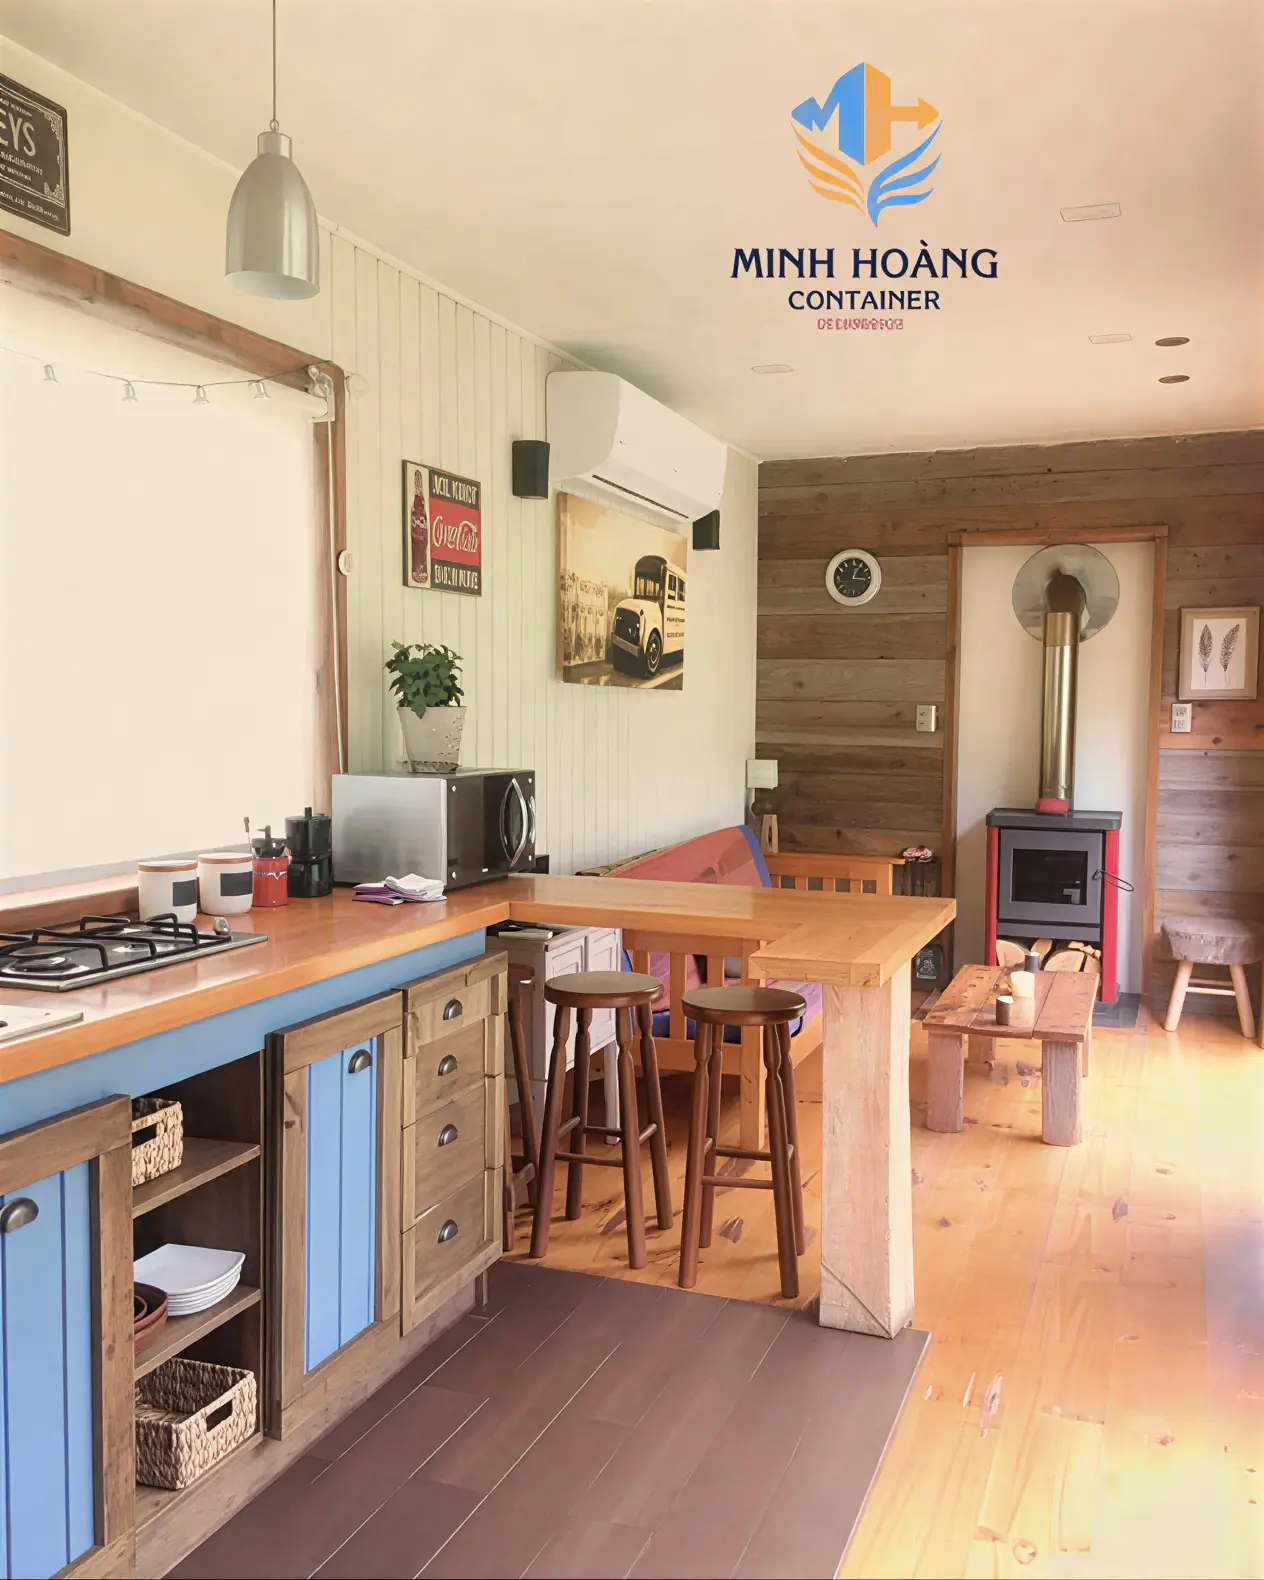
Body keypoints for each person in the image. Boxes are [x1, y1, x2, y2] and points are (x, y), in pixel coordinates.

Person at [409, 469, 429, 585]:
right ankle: (417, 570)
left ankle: (421, 569)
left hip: (421, 544)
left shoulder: (422, 511)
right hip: (417, 545)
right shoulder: (415, 510)